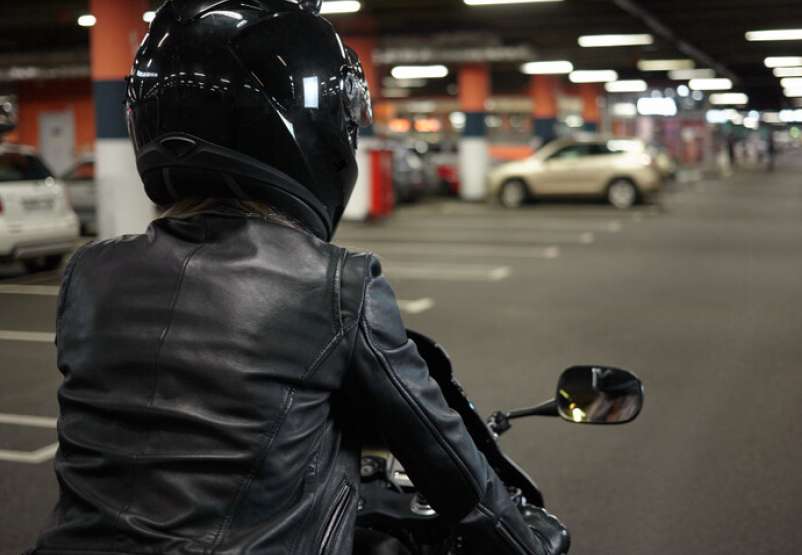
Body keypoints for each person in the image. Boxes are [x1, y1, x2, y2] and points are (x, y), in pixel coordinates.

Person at [31, 1, 569, 554]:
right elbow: (443, 457)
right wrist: (524, 543)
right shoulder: (335, 284)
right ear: (310, 124)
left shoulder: (89, 273)